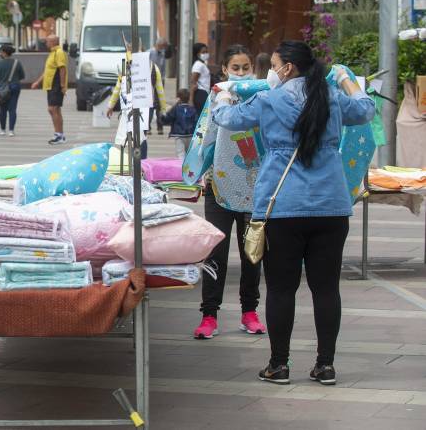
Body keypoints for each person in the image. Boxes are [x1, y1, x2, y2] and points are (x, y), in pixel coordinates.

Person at [212, 40, 375, 385]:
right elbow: (364, 110)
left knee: (282, 289)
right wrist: (346, 79)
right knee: (326, 287)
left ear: (287, 69)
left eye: (273, 65)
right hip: (331, 207)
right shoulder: (331, 97)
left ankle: (279, 365)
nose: (270, 71)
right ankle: (325, 365)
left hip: (282, 207)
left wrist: (226, 91)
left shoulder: (269, 99)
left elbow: (226, 118)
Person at [193, 44, 266, 341]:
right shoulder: (216, 98)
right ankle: (209, 315)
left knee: (252, 253)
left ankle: (250, 312)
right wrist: (200, 174)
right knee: (215, 254)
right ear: (223, 70)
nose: (240, 73)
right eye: (234, 68)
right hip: (219, 187)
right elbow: (205, 138)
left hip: (254, 188)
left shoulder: (261, 98)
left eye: (244, 68)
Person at [30, 34, 68, 145]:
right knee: (55, 110)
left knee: (53, 109)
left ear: (53, 42)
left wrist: (62, 85)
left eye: (47, 41)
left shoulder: (59, 52)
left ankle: (59, 135)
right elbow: (47, 71)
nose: (46, 43)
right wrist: (38, 82)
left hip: (55, 85)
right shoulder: (53, 53)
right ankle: (59, 134)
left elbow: (62, 69)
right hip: (50, 85)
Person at [0, 44, 25, 136]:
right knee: (12, 109)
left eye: (0, 51)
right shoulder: (17, 62)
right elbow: (22, 76)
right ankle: (11, 130)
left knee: (2, 109)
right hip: (15, 86)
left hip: (2, 88)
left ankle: (2, 130)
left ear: (3, 52)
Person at [160, 89, 197, 159]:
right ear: (189, 98)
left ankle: (181, 168)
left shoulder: (176, 109)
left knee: (180, 153)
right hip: (191, 134)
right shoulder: (192, 109)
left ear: (179, 98)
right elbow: (196, 121)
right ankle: (189, 168)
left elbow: (168, 118)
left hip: (179, 135)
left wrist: (162, 116)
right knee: (189, 153)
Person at [149, 38, 171, 135]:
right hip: (150, 80)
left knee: (159, 104)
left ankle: (160, 126)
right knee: (150, 104)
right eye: (164, 46)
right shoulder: (150, 53)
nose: (165, 48)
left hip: (160, 81)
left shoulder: (162, 53)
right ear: (159, 45)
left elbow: (162, 68)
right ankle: (148, 127)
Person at [190, 42, 211, 112]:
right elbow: (193, 82)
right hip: (200, 94)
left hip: (205, 92)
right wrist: (191, 100)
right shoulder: (198, 65)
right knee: (202, 117)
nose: (206, 54)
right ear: (198, 54)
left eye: (206, 51)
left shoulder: (202, 64)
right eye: (203, 52)